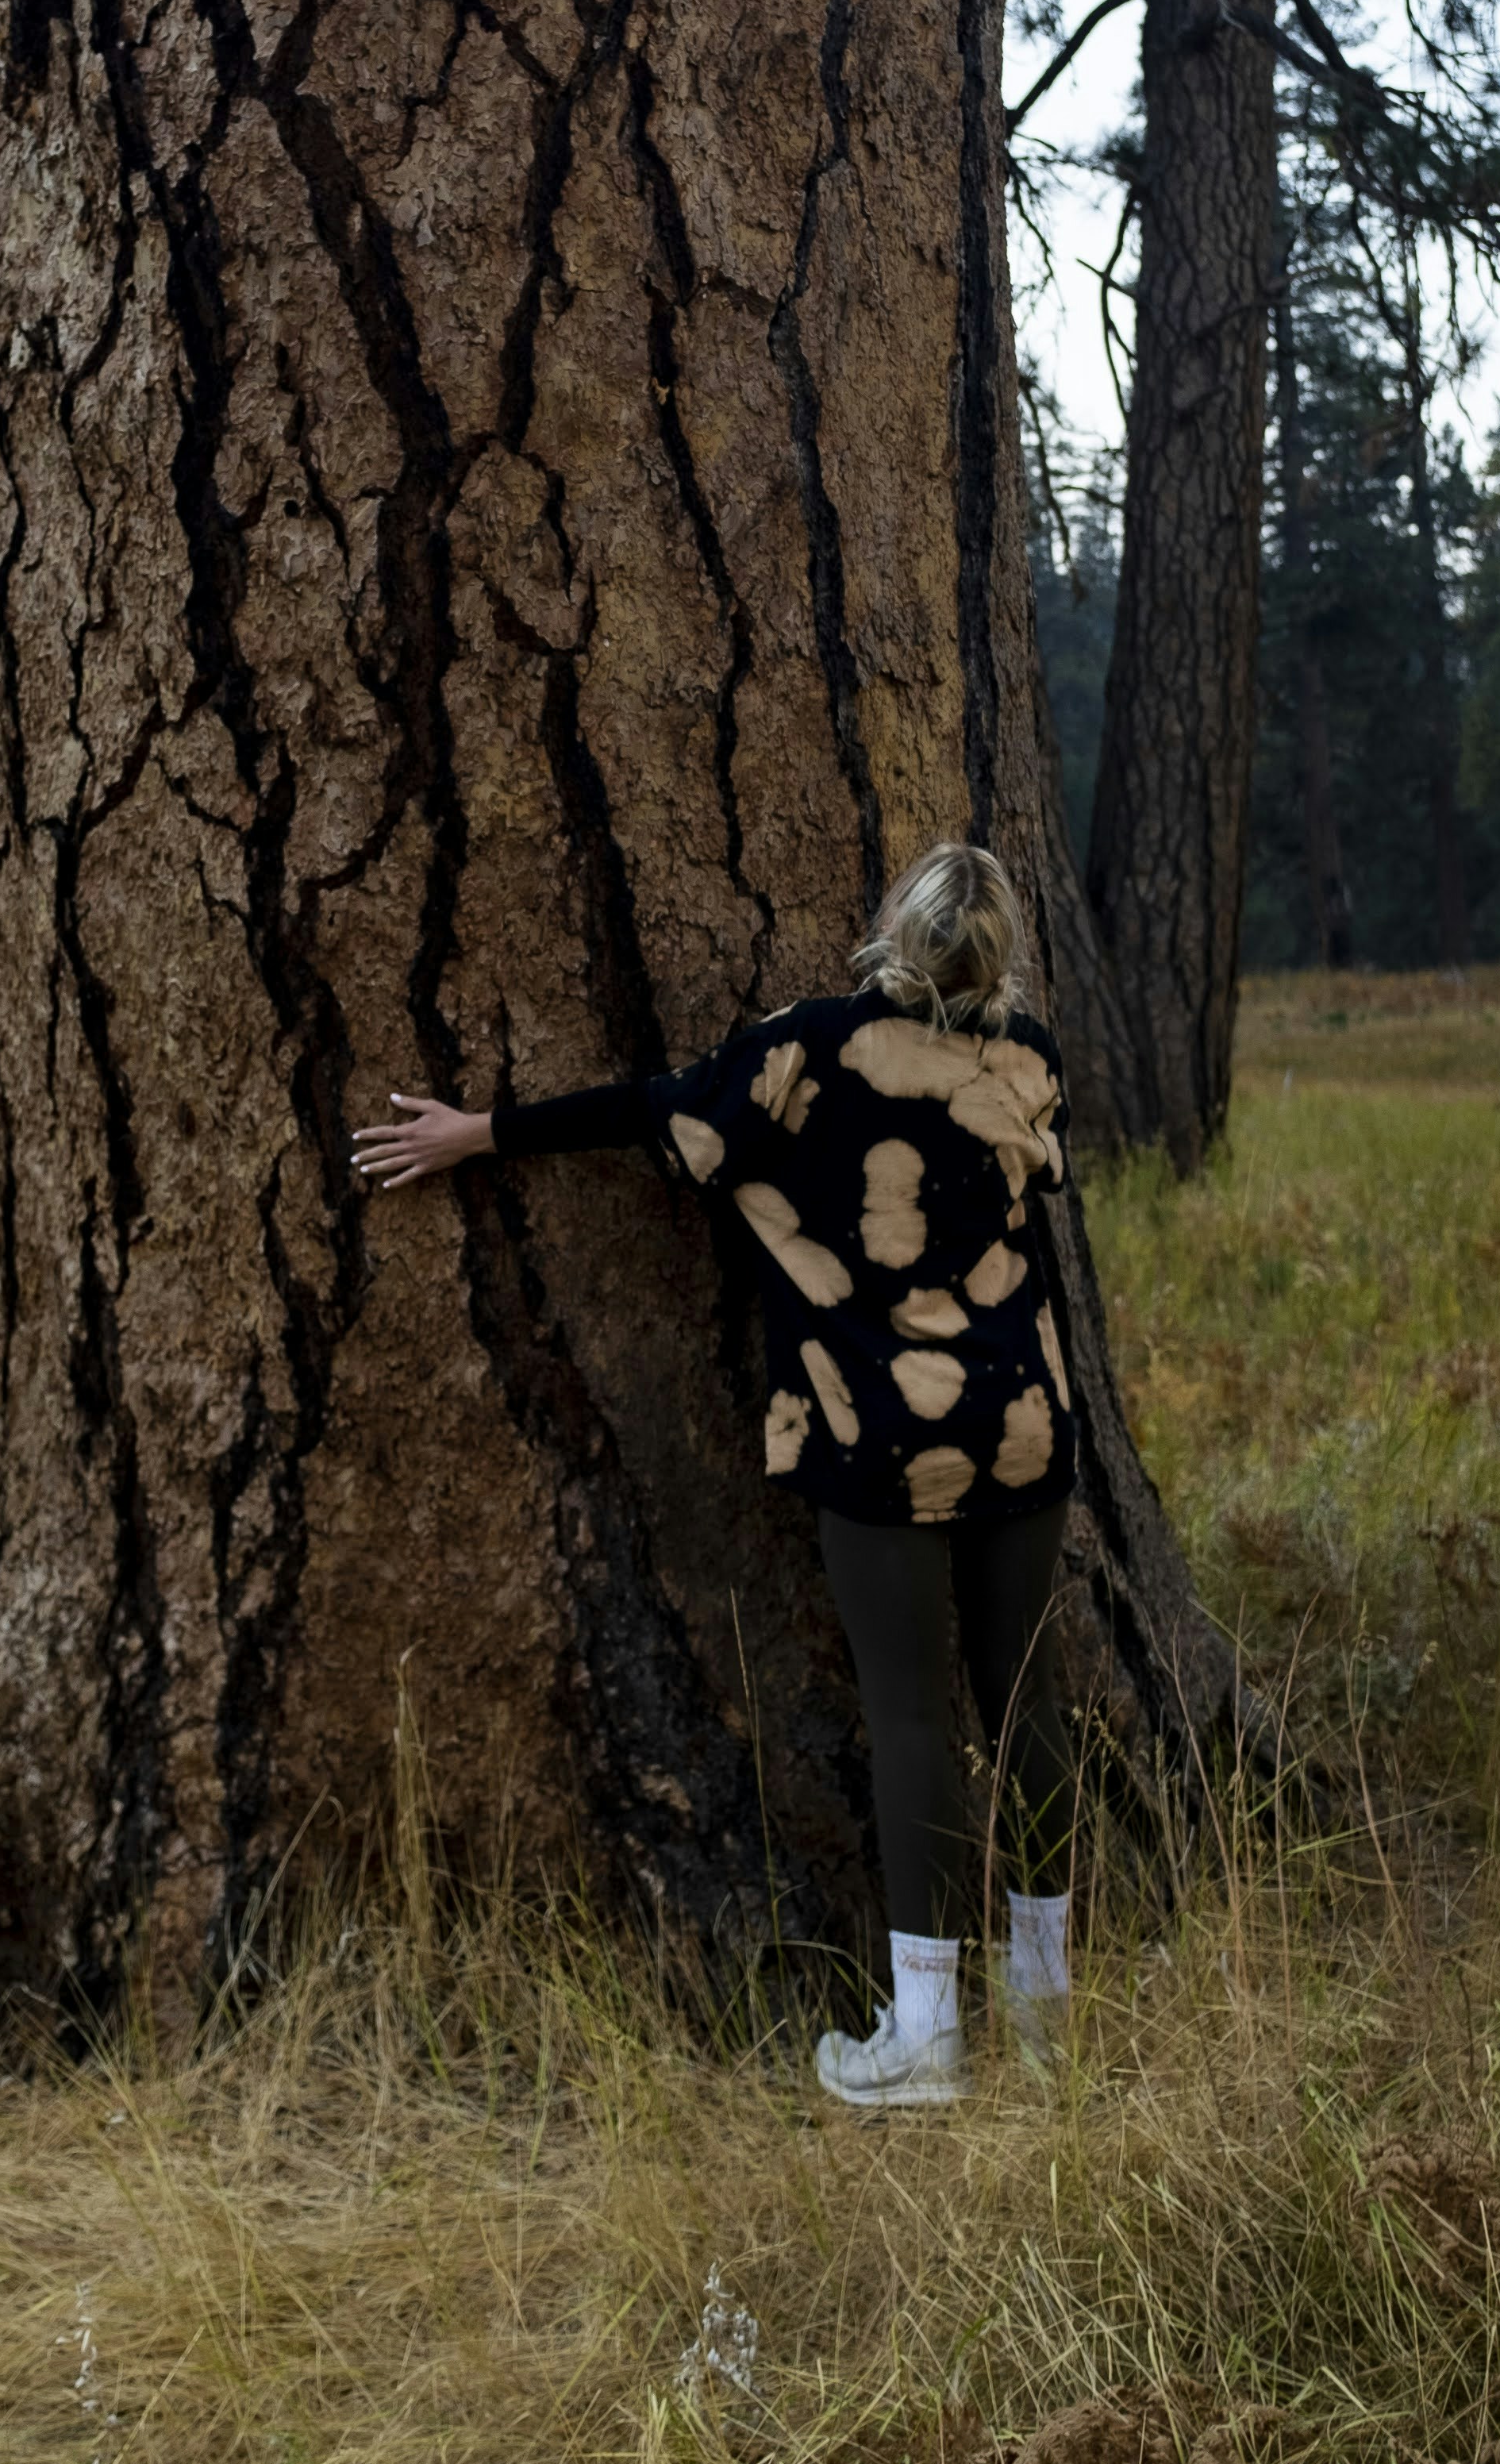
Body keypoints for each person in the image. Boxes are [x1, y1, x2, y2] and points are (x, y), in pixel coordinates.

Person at [348, 837, 1079, 2104]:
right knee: (1026, 1709)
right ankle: (1049, 2013)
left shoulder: (803, 1048)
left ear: (891, 935)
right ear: (1000, 947)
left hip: (876, 1432)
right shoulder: (1029, 1065)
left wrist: (482, 1133)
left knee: (915, 1717)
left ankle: (925, 2042)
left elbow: (660, 1113)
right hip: (1025, 1419)